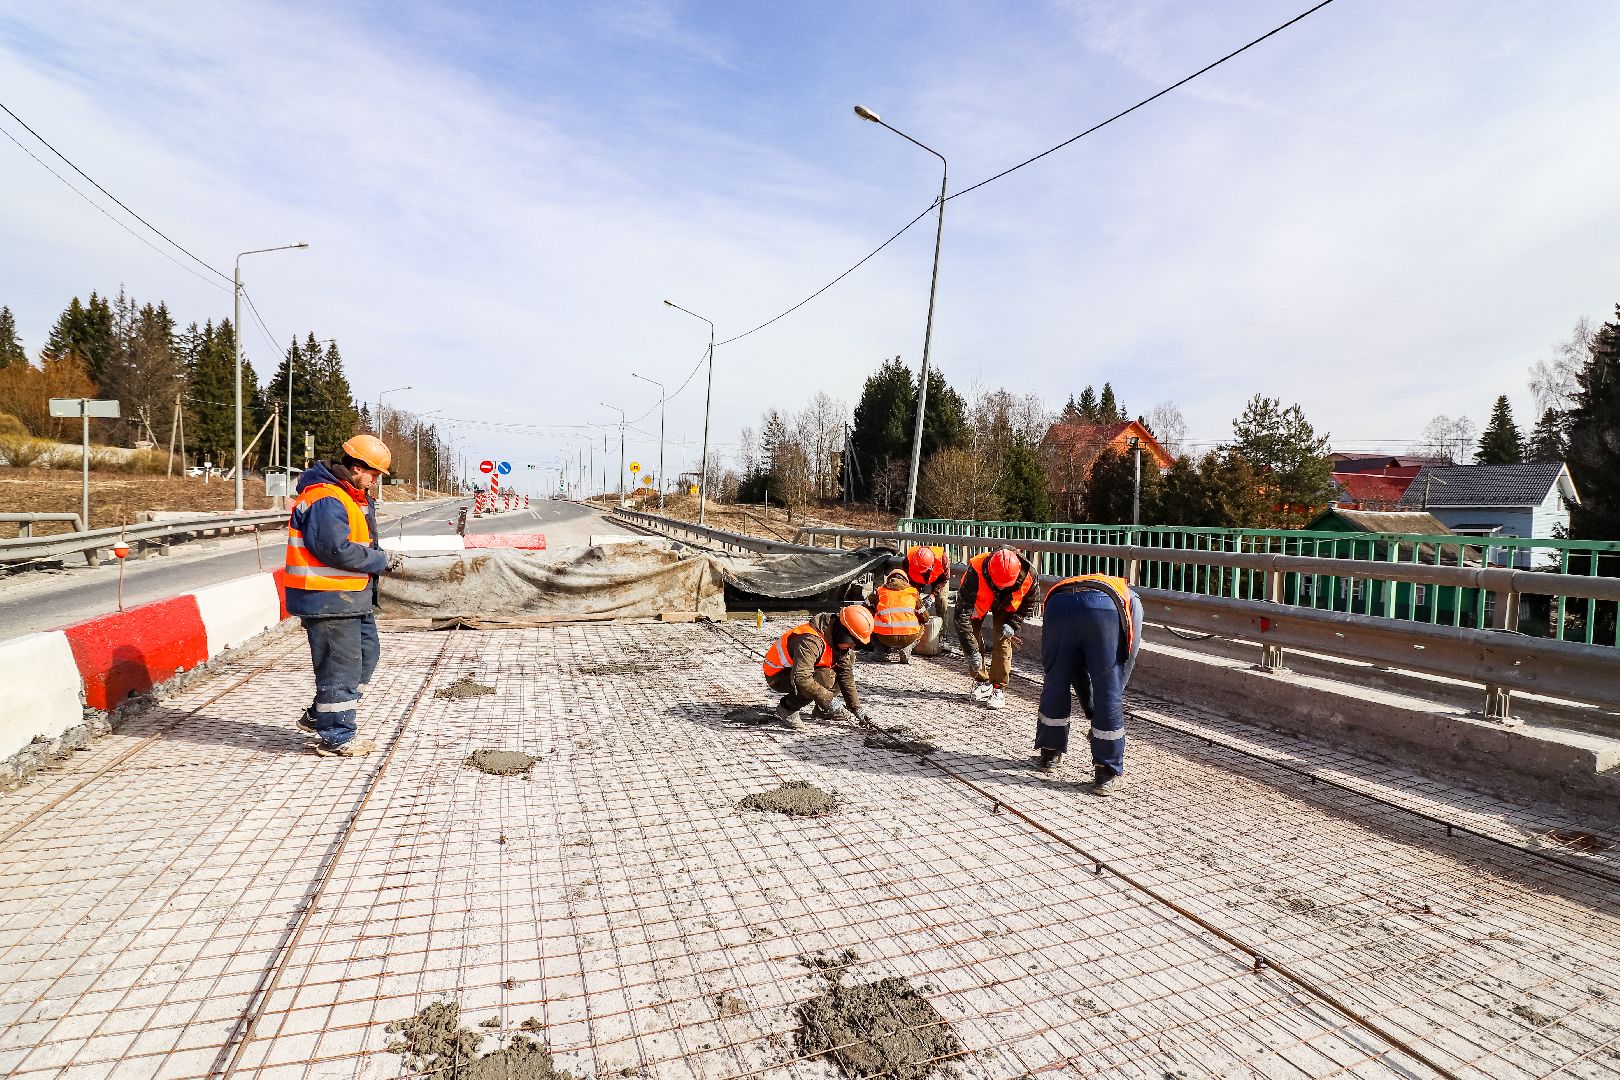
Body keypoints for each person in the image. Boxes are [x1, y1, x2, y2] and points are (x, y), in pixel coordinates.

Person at [285, 434, 404, 758]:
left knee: (367, 655)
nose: (375, 481)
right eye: (374, 474)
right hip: (327, 596)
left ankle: (321, 714)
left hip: (350, 596)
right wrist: (380, 561)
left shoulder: (348, 495)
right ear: (356, 468)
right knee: (341, 668)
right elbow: (334, 549)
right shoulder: (326, 498)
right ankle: (336, 736)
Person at [1035, 573, 1143, 795]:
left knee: (1056, 680)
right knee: (1109, 690)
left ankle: (1049, 754)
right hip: (1102, 610)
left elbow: (1076, 668)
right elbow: (1128, 658)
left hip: (1058, 604)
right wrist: (1103, 704)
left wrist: (1090, 708)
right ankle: (1106, 773)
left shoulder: (1084, 583)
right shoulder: (1132, 599)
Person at [763, 605, 876, 729]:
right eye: (851, 642)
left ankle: (822, 710)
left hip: (798, 671)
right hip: (778, 675)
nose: (853, 646)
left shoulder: (836, 639)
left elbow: (845, 674)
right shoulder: (810, 640)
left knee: (845, 663)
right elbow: (802, 679)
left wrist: (856, 708)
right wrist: (829, 700)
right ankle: (787, 708)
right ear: (842, 633)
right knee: (825, 677)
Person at [954, 546, 1037, 710]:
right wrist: (971, 652)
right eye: (999, 585)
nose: (1001, 588)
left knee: (1003, 640)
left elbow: (1029, 604)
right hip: (978, 601)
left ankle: (998, 688)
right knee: (971, 636)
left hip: (1005, 604)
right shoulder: (975, 572)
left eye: (1005, 585)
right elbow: (961, 616)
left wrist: (1013, 624)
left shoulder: (1029, 575)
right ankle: (981, 681)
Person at [870, 568, 924, 661]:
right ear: (906, 580)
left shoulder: (879, 591)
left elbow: (865, 608)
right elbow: (925, 618)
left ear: (889, 579)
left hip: (884, 636)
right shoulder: (913, 592)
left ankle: (879, 653)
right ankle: (907, 650)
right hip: (908, 637)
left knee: (871, 623)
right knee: (921, 626)